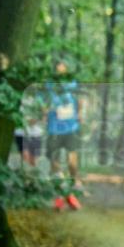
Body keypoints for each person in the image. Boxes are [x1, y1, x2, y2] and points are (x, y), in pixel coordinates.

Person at [45, 60, 82, 211]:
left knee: (72, 163)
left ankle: (71, 192)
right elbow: (43, 102)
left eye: (63, 69)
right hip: (54, 129)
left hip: (71, 128)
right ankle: (60, 196)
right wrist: (45, 109)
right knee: (55, 164)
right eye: (58, 70)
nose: (60, 72)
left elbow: (80, 99)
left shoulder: (73, 83)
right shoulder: (48, 84)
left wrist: (80, 113)